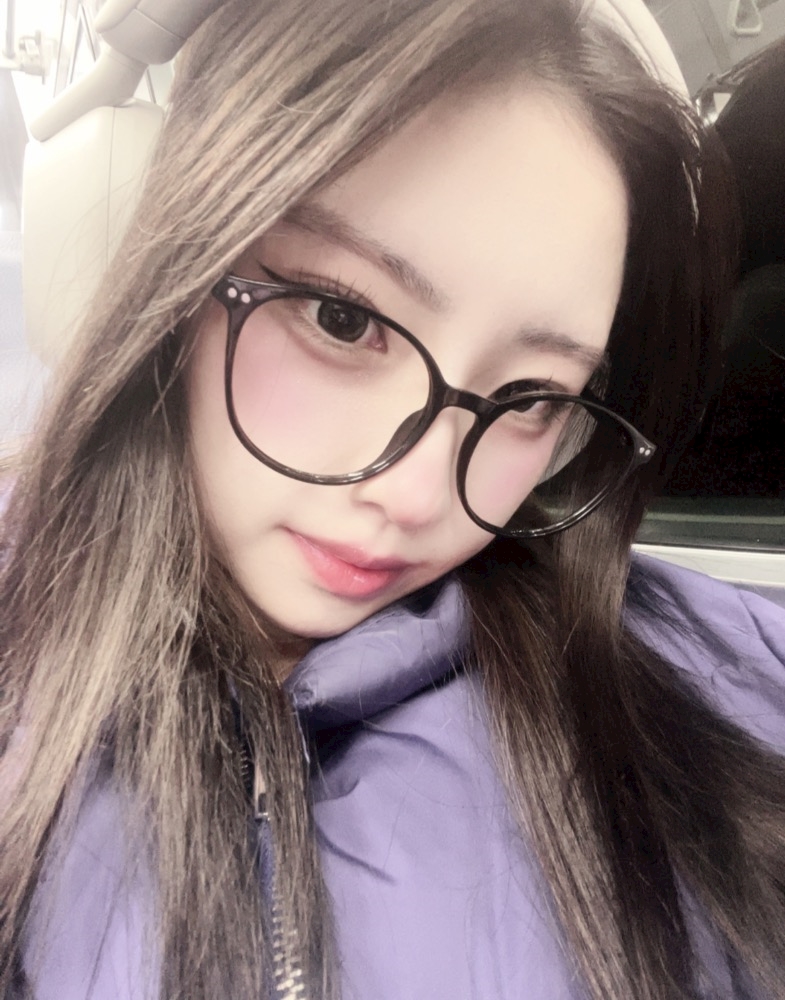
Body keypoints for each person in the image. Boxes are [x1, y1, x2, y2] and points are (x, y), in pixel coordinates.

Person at [2, 1, 784, 998]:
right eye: (341, 319)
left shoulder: (719, 671)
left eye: (529, 400)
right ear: (170, 262)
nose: (416, 497)